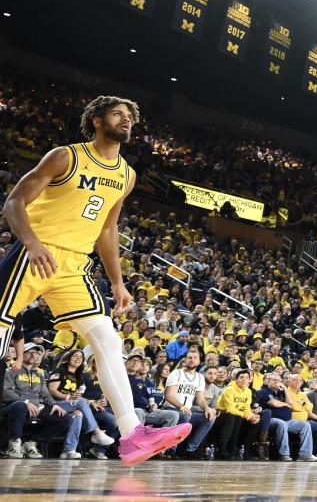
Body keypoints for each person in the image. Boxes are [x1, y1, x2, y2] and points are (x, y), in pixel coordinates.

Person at [0, 95, 191, 464]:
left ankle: (132, 433)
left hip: (74, 265)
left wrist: (117, 282)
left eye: (131, 117)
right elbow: (13, 203)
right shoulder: (65, 157)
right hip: (34, 253)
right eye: (118, 114)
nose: (127, 121)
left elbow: (108, 229)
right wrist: (32, 242)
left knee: (106, 337)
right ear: (98, 120)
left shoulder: (127, 174)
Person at [2, 342, 80, 458]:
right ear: (21, 354)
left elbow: (45, 394)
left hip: (36, 407)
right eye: (30, 352)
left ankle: (32, 443)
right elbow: (6, 392)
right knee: (20, 406)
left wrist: (54, 404)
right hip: (12, 406)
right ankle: (14, 444)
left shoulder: (40, 374)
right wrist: (26, 403)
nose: (35, 355)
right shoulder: (11, 371)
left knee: (65, 418)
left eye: (37, 353)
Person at [47, 348, 116, 458]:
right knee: (80, 403)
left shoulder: (78, 376)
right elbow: (52, 390)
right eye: (75, 356)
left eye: (81, 357)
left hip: (71, 405)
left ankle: (68, 450)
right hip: (56, 403)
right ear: (68, 358)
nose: (78, 358)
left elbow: (80, 395)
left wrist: (89, 401)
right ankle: (96, 432)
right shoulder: (59, 371)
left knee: (78, 413)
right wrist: (69, 397)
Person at [164, 347, 216, 457]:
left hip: (187, 413)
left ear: (199, 361)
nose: (192, 360)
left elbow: (201, 399)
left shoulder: (200, 377)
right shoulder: (176, 373)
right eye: (189, 358)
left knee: (209, 418)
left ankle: (190, 450)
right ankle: (172, 449)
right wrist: (182, 407)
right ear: (185, 360)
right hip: (171, 410)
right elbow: (168, 396)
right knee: (184, 416)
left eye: (195, 358)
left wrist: (207, 408)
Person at [213, 368, 261, 460]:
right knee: (233, 417)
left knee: (256, 421)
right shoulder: (229, 390)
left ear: (249, 380)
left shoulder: (248, 391)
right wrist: (246, 415)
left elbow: (246, 407)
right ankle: (222, 449)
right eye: (241, 377)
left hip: (237, 414)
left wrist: (251, 416)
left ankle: (243, 450)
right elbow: (229, 409)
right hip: (222, 414)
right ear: (236, 379)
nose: (244, 379)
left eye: (246, 377)